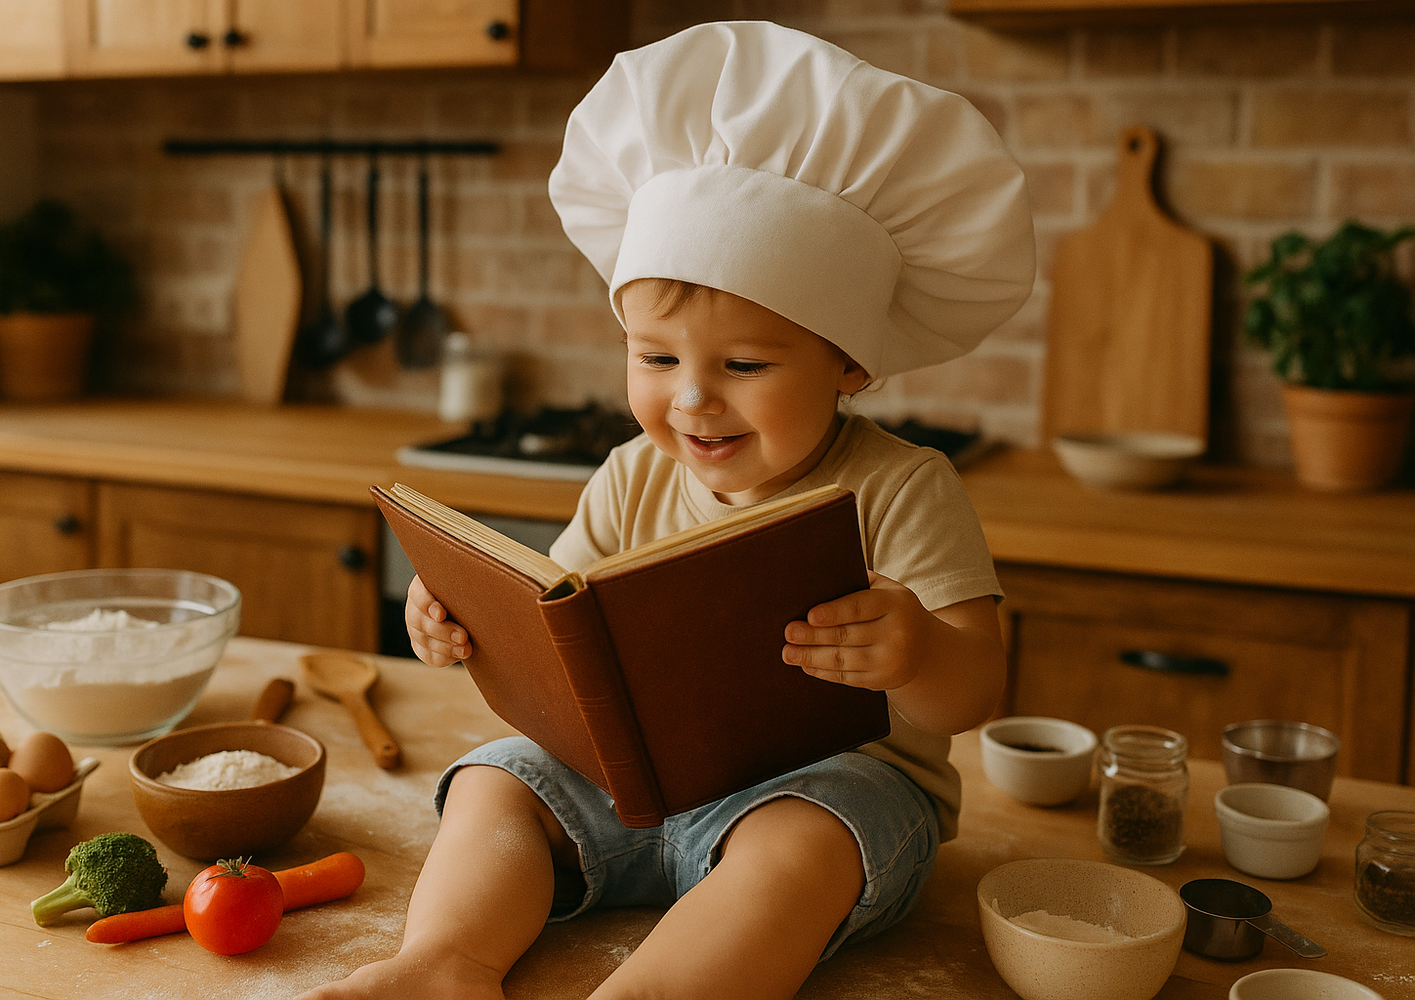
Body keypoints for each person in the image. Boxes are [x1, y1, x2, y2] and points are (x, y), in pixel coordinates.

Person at [299, 20, 1034, 1000]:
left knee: (802, 844)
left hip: (830, 791)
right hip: (626, 783)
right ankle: (446, 966)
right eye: (656, 358)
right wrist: (470, 624)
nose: (691, 399)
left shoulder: (902, 487)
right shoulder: (628, 474)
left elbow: (974, 691)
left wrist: (917, 653)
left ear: (848, 361)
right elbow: (559, 631)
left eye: (744, 364)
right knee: (493, 779)